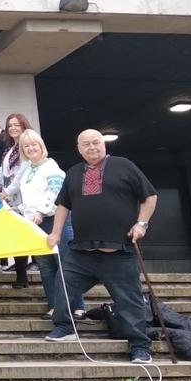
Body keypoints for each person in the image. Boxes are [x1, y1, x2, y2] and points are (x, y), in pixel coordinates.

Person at [44, 130, 158, 365]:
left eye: (96, 142)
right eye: (86, 144)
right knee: (63, 285)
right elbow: (63, 205)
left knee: (130, 301)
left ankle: (140, 346)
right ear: (79, 148)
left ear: (104, 144)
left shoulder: (123, 165)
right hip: (81, 252)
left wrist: (141, 224)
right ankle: (64, 326)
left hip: (119, 251)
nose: (91, 147)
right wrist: (55, 233)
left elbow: (150, 195)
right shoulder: (74, 172)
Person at [12, 129, 68, 319]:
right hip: (34, 223)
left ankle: (76, 306)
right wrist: (18, 208)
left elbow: (55, 193)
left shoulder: (51, 167)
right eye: (25, 146)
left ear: (41, 145)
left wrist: (40, 211)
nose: (30, 149)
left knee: (64, 265)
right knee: (45, 268)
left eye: (33, 144)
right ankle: (54, 306)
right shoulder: (28, 168)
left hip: (53, 220)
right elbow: (30, 197)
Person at [0, 113, 33, 288]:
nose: (13, 128)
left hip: (23, 197)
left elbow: (23, 172)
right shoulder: (10, 147)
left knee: (22, 235)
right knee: (17, 235)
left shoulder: (27, 144)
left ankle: (23, 275)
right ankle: (21, 274)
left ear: (23, 126)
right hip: (10, 196)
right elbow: (2, 170)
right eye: (10, 125)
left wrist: (7, 191)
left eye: (16, 125)